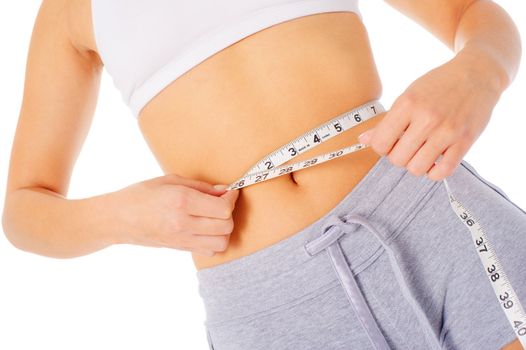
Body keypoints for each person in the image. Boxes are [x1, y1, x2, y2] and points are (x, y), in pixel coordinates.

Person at [2, 0, 525, 349]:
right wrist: (120, 216)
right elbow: (24, 210)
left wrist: (481, 70)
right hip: (268, 301)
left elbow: (470, 13)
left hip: (426, 213)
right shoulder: (70, 12)